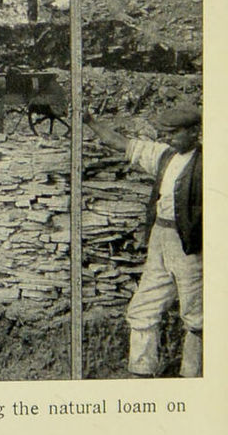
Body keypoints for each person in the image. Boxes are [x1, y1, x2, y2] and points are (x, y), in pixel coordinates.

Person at [84, 103, 202, 377]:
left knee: (196, 313)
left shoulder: (208, 164)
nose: (169, 138)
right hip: (161, 237)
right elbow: (120, 143)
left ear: (195, 132)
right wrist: (90, 121)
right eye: (166, 133)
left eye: (175, 133)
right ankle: (141, 370)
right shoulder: (164, 156)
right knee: (144, 305)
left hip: (192, 245)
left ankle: (193, 376)